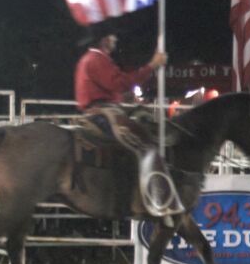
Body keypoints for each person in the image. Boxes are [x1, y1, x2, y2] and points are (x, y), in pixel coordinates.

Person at [73, 28, 177, 216]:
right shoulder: (97, 59)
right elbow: (119, 83)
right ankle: (142, 196)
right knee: (140, 143)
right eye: (112, 35)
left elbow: (115, 87)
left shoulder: (90, 59)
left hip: (100, 111)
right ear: (104, 40)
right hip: (102, 114)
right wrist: (152, 66)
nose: (115, 38)